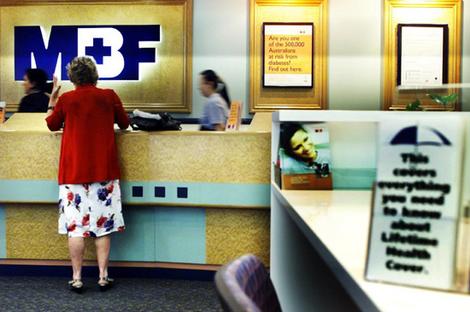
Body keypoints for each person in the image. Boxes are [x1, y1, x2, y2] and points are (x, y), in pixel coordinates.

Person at [45, 56, 130, 293]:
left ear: (72, 77)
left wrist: (52, 101)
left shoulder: (66, 99)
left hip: (73, 173)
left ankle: (77, 277)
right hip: (104, 171)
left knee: (76, 227)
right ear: (95, 74)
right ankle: (103, 276)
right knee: (103, 226)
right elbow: (124, 124)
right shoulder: (109, 96)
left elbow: (52, 124)